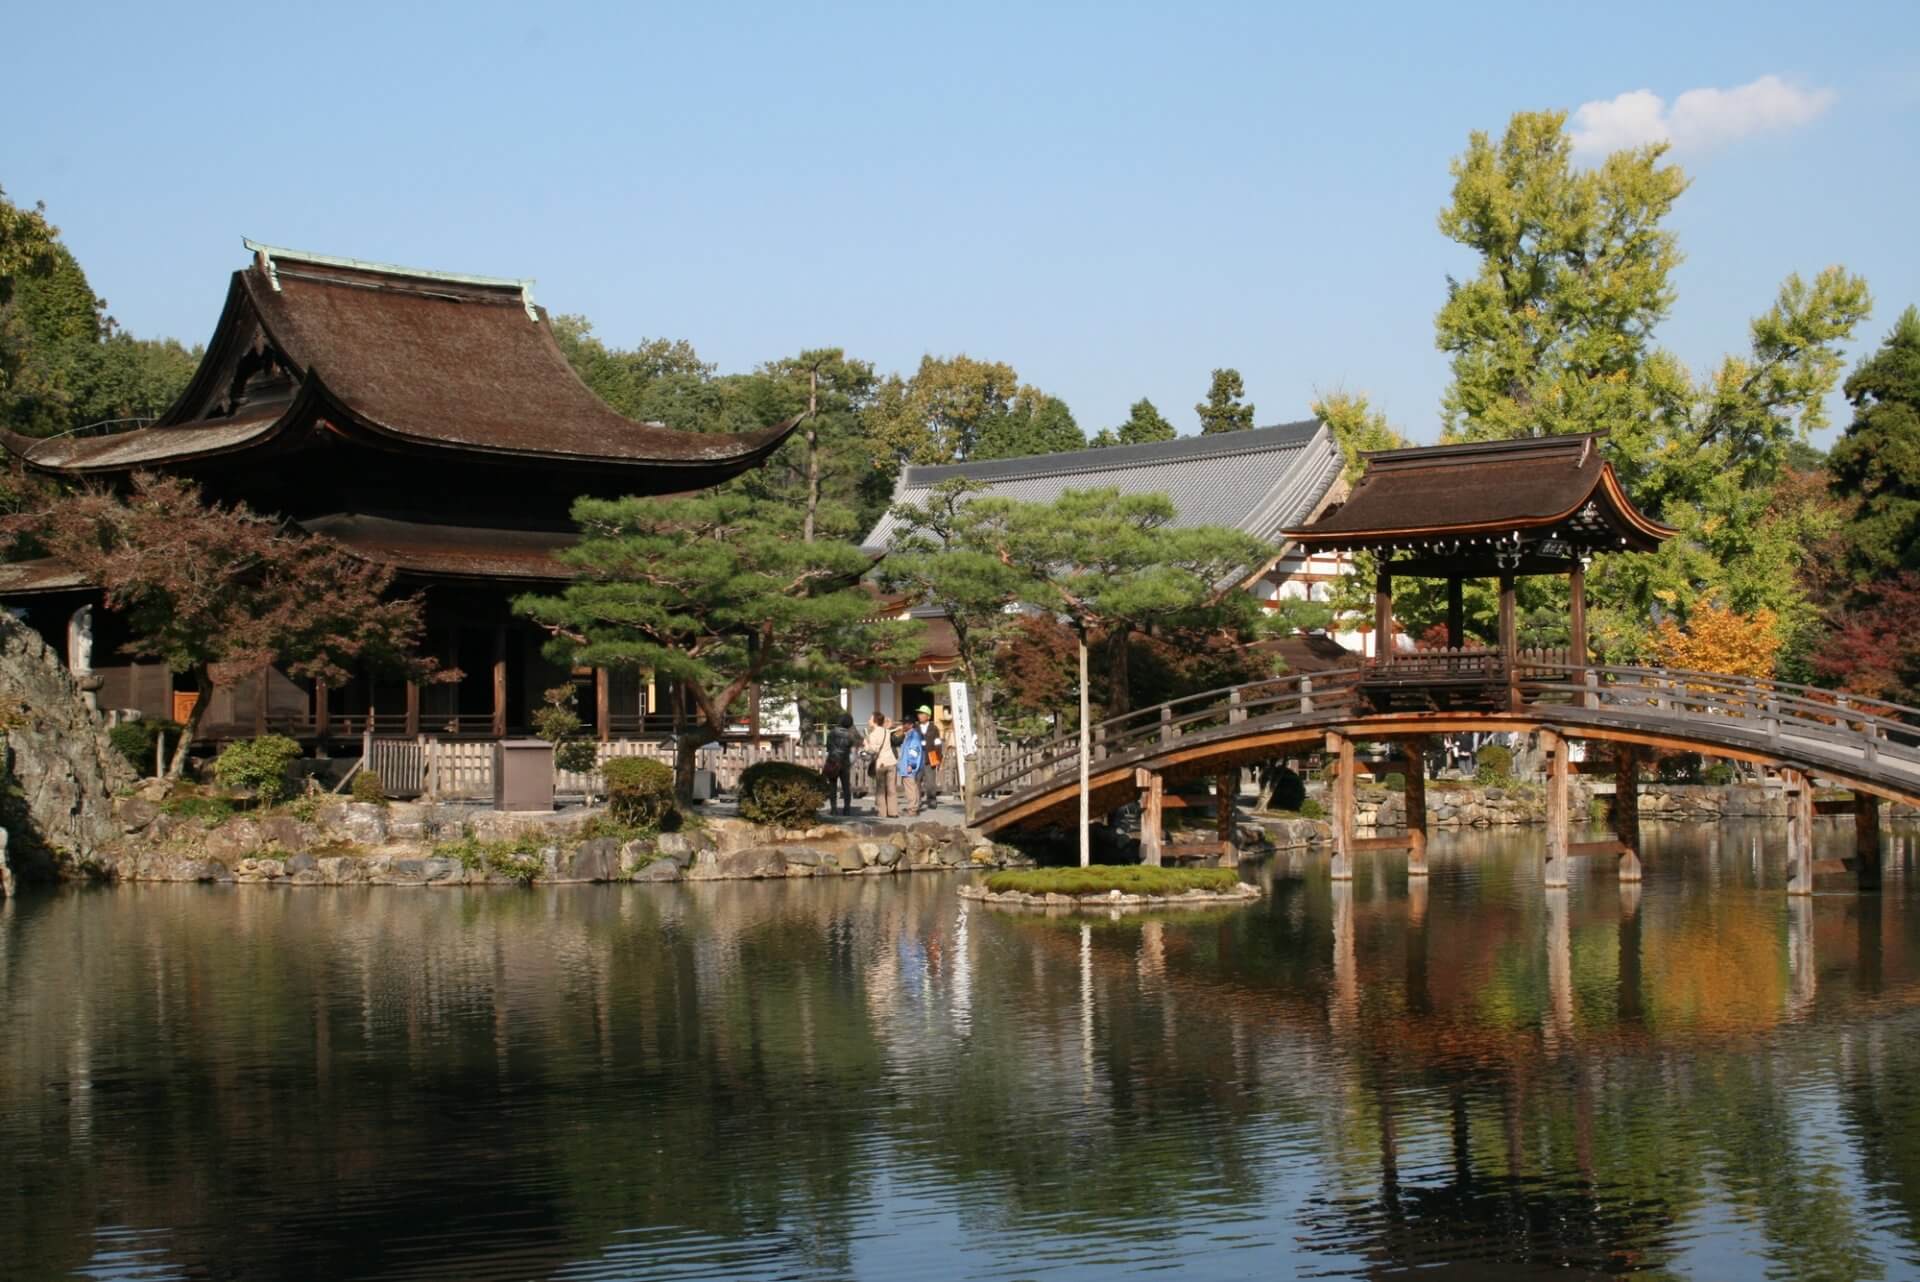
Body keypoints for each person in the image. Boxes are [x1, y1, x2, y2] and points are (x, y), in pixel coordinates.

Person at [865, 712, 898, 818]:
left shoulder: (873, 734)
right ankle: (893, 812)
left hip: (881, 763)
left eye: (870, 719)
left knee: (880, 789)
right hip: (891, 761)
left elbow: (873, 750)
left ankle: (882, 812)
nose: (869, 721)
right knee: (891, 788)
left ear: (875, 721)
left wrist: (866, 745)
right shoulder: (886, 731)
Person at [824, 712, 856, 815]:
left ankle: (833, 809)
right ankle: (847, 809)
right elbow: (850, 747)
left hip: (833, 761)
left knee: (832, 786)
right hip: (845, 762)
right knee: (846, 786)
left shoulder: (832, 733)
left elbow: (828, 747)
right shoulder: (850, 735)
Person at [897, 712, 927, 817]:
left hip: (909, 765)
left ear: (911, 725)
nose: (903, 725)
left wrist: (912, 764)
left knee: (911, 787)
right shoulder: (909, 735)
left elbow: (914, 751)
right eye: (903, 723)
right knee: (911, 787)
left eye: (906, 723)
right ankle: (913, 806)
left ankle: (913, 809)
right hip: (906, 765)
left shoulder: (913, 736)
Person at [915, 704, 944, 809]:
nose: (919, 715)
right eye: (919, 713)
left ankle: (931, 799)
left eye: (922, 713)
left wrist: (938, 758)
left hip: (930, 755)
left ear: (928, 716)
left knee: (931, 781)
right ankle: (916, 801)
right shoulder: (915, 727)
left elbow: (937, 744)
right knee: (916, 780)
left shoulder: (934, 728)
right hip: (917, 757)